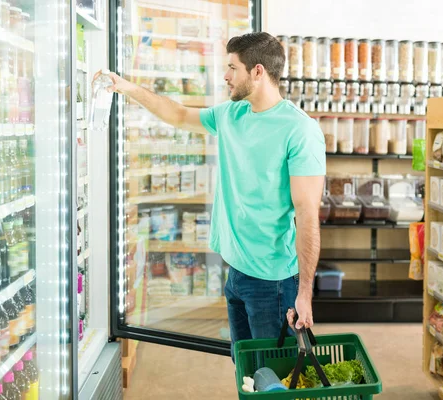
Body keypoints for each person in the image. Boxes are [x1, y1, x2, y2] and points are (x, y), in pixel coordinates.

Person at [100, 32, 326, 356]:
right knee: (247, 371)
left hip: (274, 282)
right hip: (236, 271)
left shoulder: (300, 130)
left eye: (233, 68)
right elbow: (178, 114)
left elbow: (307, 214)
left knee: (276, 375)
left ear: (258, 72)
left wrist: (304, 292)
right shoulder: (231, 115)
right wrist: (127, 87)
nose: (225, 76)